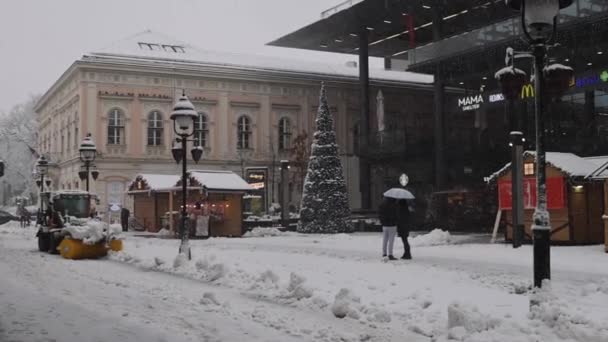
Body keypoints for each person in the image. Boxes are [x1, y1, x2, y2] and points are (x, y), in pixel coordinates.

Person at [378, 196, 398, 260]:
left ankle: (384, 253)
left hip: (384, 225)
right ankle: (390, 254)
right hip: (392, 225)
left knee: (385, 240)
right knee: (391, 241)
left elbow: (380, 214)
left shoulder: (382, 205)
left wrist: (382, 221)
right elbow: (396, 214)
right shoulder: (394, 205)